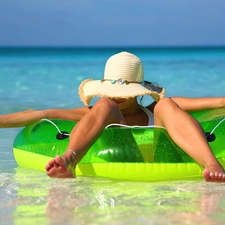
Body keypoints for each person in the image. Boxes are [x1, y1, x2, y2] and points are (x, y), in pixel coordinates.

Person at [1, 51, 225, 182]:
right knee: (105, 106)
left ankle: (211, 163)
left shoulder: (157, 108)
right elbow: (41, 114)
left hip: (162, 157)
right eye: (113, 91)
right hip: (113, 156)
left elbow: (219, 103)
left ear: (138, 92)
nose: (116, 97)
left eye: (123, 93)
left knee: (166, 104)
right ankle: (70, 159)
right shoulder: (99, 110)